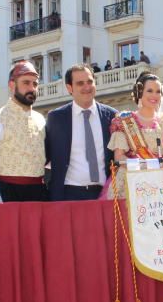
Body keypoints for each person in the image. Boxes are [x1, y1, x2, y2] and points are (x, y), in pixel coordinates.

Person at [103, 72, 163, 199]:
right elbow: (119, 157)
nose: (154, 95)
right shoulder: (124, 121)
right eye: (150, 91)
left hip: (162, 181)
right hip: (132, 182)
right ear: (139, 93)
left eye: (158, 91)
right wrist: (144, 166)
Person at [45, 64, 118, 201]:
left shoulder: (112, 116)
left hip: (105, 194)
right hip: (68, 195)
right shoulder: (56, 118)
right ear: (69, 88)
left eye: (90, 82)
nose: (87, 87)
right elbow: (45, 155)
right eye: (80, 83)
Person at [0, 61, 47, 203]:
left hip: (38, 195)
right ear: (12, 85)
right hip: (7, 195)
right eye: (26, 83)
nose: (32, 88)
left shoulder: (41, 120)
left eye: (35, 84)